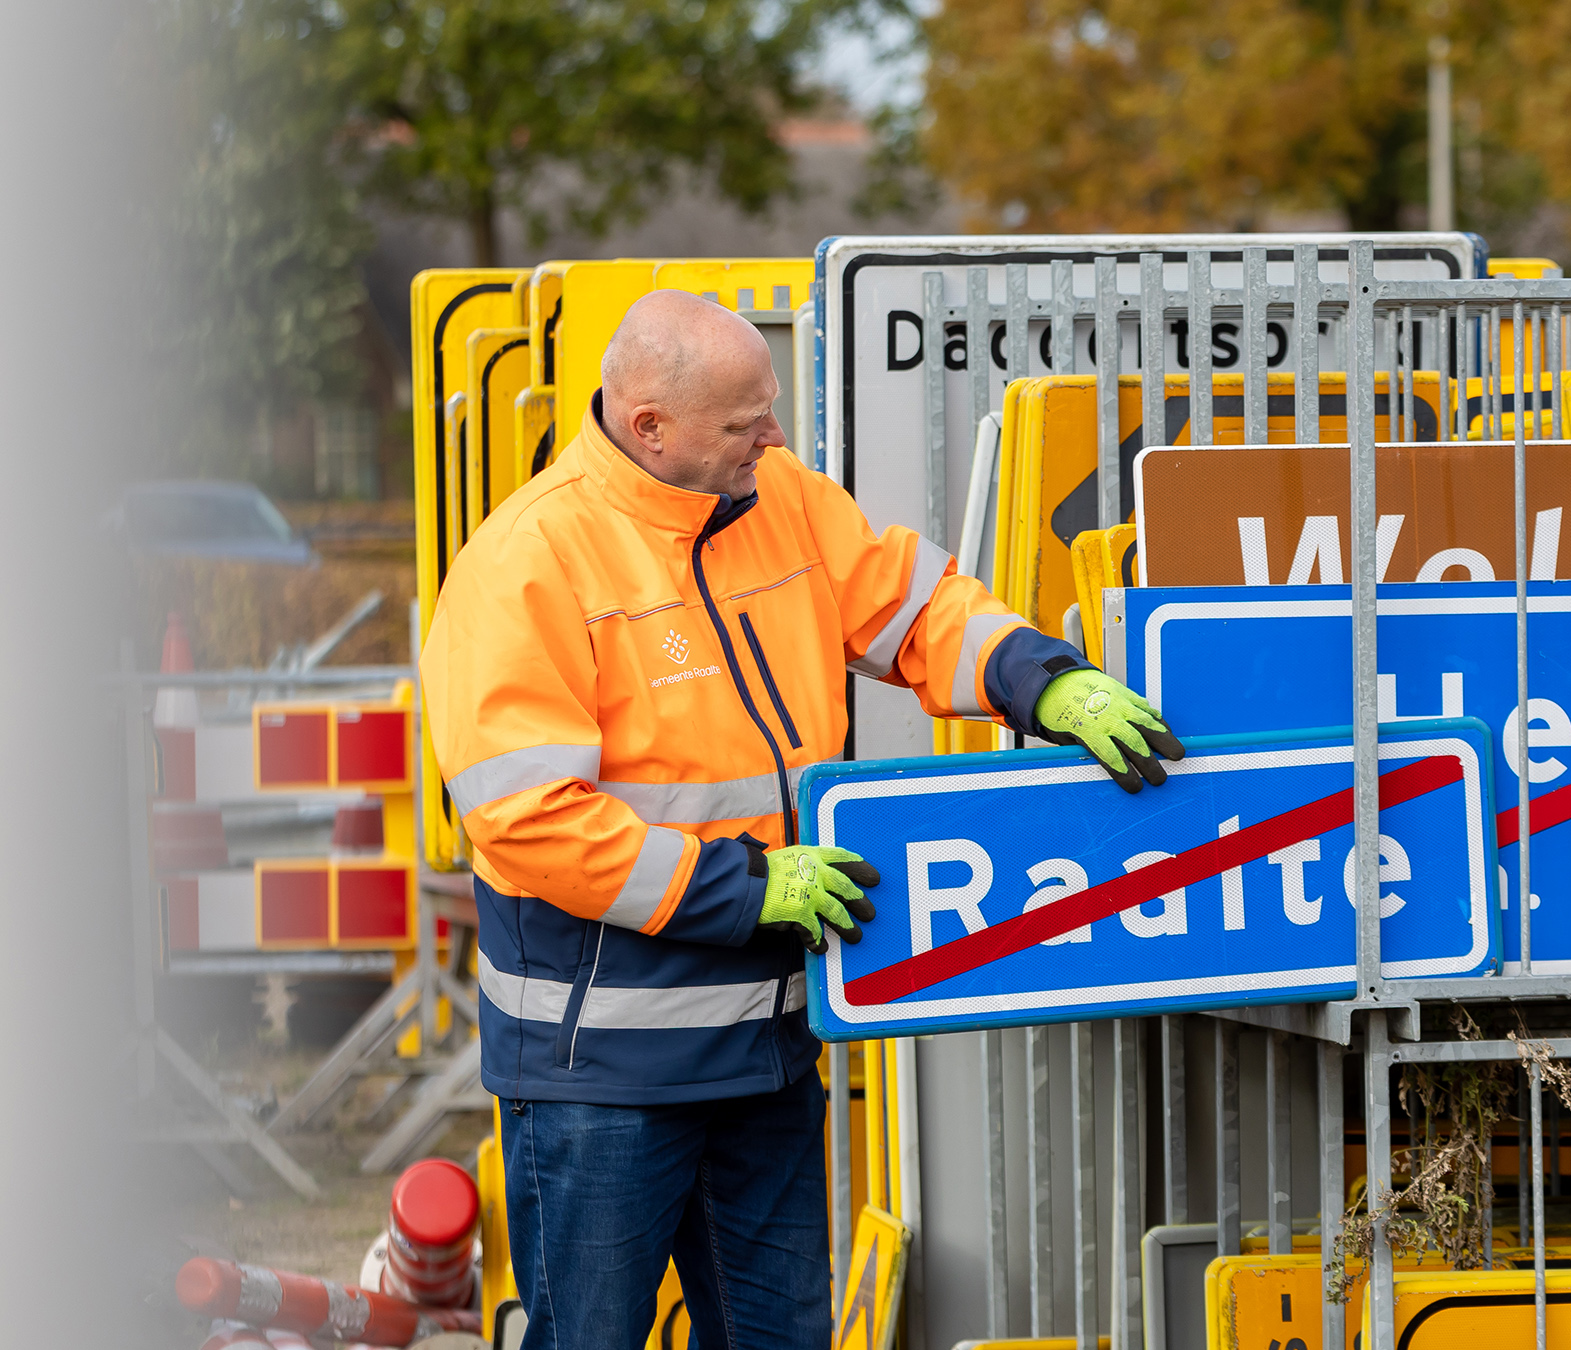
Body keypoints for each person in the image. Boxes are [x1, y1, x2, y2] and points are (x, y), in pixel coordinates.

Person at [419, 289, 1182, 1350]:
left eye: (767, 411)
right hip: (600, 1076)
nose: (772, 437)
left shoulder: (781, 499)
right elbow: (525, 820)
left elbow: (918, 610)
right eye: (744, 422)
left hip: (768, 1048)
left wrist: (1041, 680)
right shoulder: (526, 564)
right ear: (649, 426)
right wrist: (745, 889)